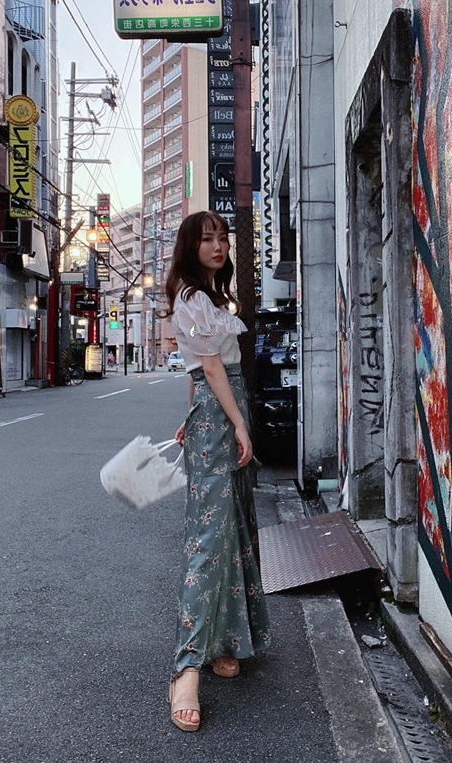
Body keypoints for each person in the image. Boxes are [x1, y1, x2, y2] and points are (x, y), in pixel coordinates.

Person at [165, 210, 271, 732]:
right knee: (208, 543)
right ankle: (185, 670)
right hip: (223, 414)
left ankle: (225, 641)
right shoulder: (192, 297)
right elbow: (208, 367)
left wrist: (191, 415)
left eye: (223, 238)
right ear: (190, 246)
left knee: (232, 531)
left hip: (216, 412)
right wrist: (238, 424)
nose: (219, 245)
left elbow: (200, 371)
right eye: (207, 239)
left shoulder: (207, 298)